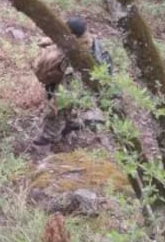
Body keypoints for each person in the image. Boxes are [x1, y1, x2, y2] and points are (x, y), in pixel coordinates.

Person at [31, 16, 113, 147]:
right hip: (83, 78)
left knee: (58, 105)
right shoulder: (83, 38)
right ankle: (72, 122)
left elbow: (66, 92)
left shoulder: (85, 52)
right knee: (65, 103)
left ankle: (50, 136)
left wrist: (57, 97)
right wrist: (50, 40)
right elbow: (63, 39)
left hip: (84, 80)